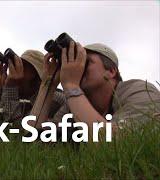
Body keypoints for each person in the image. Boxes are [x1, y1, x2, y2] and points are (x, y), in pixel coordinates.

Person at [30, 42, 160, 137]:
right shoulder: (74, 103)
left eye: (85, 62)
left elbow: (118, 144)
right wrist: (48, 83)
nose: (78, 67)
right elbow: (33, 137)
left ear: (111, 71)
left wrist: (71, 85)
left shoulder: (139, 90)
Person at [0, 50, 66, 123]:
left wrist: (10, 89)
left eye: (23, 67)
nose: (16, 72)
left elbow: (19, 130)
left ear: (37, 75)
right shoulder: (18, 94)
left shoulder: (54, 98)